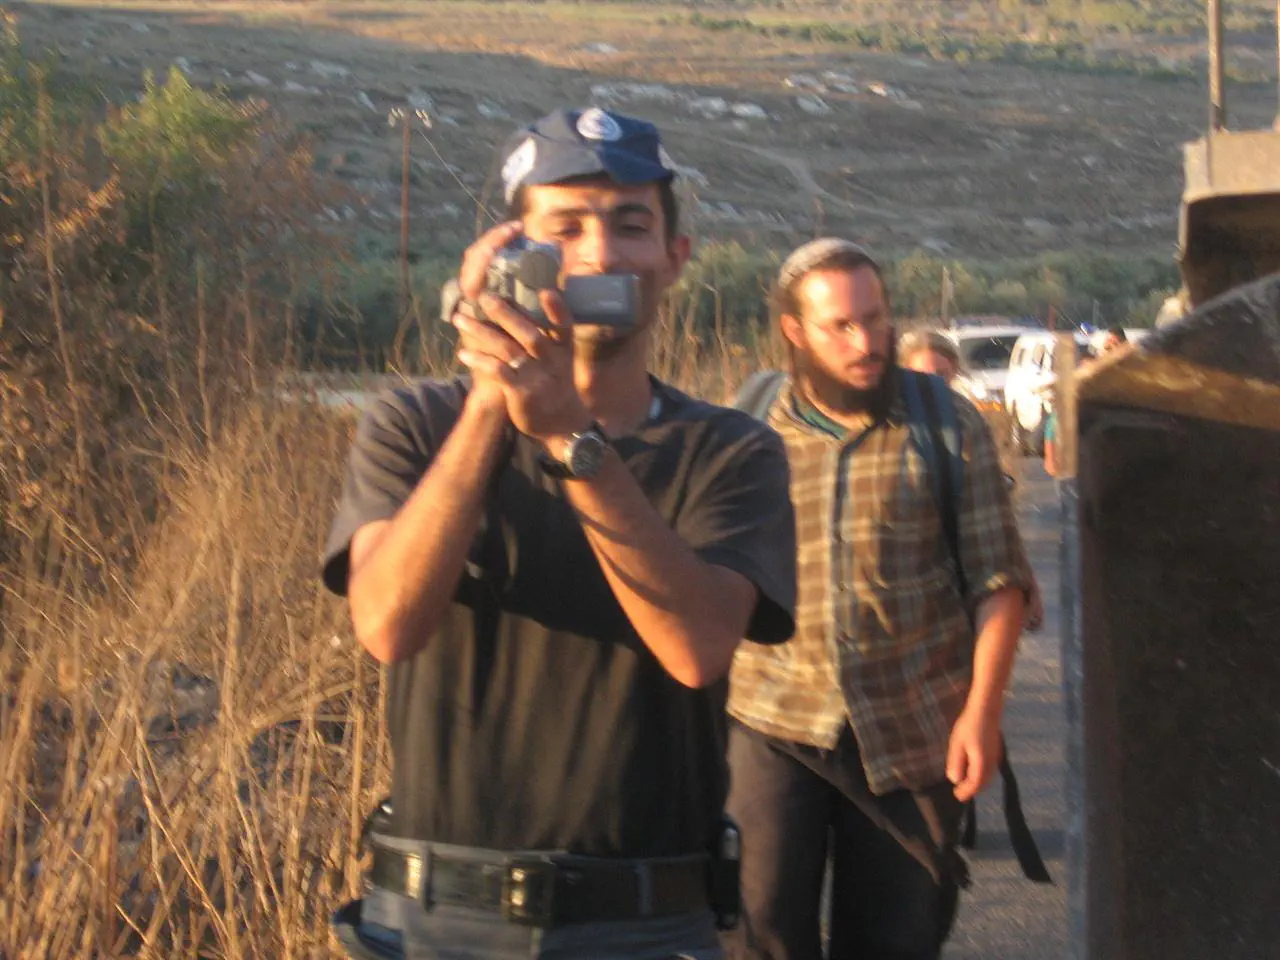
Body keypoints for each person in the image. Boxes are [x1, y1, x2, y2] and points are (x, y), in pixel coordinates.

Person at [322, 107, 797, 960]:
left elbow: (696, 650)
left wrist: (570, 438)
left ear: (675, 258)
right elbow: (387, 625)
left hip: (646, 926)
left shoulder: (730, 449)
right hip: (436, 920)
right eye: (566, 228)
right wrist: (490, 403)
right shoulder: (415, 424)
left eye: (630, 226)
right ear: (510, 255)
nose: (600, 254)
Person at [725, 238, 1035, 960]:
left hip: (913, 731)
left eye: (875, 318)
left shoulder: (947, 425)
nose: (867, 342)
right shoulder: (747, 429)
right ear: (794, 331)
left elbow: (1001, 582)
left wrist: (983, 715)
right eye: (841, 326)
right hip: (773, 721)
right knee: (755, 931)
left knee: (897, 940)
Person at [900, 332, 1044, 633]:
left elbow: (998, 523)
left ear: (954, 372)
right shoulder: (893, 429)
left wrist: (1026, 584)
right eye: (922, 375)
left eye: (941, 374)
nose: (934, 383)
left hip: (965, 568)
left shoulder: (966, 423)